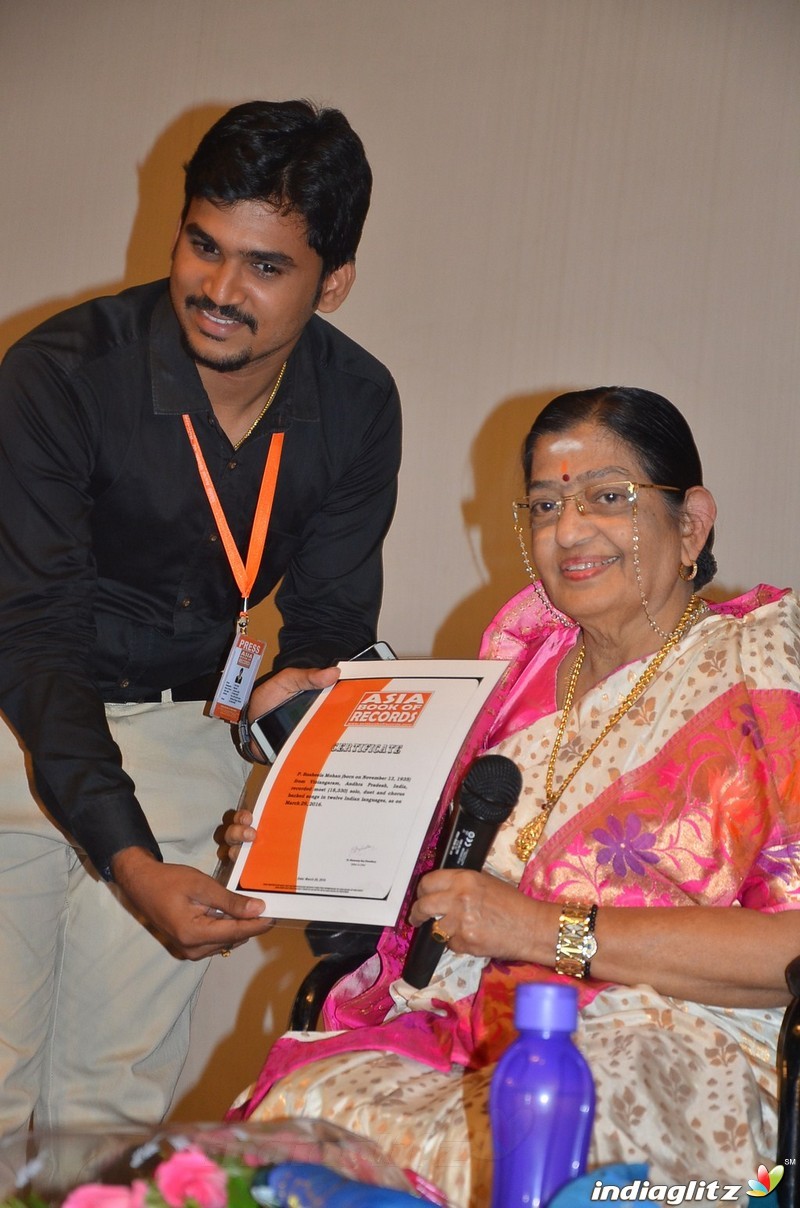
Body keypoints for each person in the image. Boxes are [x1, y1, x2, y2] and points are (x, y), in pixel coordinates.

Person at [225, 387, 800, 1206]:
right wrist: (305, 848)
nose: (568, 530)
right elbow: (442, 901)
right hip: (469, 1024)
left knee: (543, 1142)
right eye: (544, 504)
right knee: (302, 1121)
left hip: (676, 1043)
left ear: (691, 523)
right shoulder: (514, 678)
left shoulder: (762, 662)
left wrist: (539, 932)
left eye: (608, 497)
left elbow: (789, 951)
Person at [0, 99, 401, 1136]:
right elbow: (34, 631)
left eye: (266, 268)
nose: (219, 291)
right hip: (21, 712)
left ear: (333, 282)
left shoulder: (357, 405)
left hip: (188, 724)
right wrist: (130, 863)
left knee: (109, 1098)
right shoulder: (59, 373)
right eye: (203, 246)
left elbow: (327, 620)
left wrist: (291, 739)